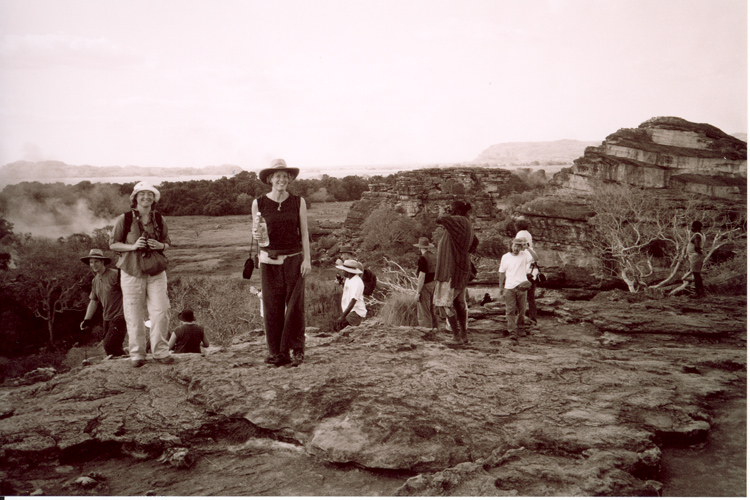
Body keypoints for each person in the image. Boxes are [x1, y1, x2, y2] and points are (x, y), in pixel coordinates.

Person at [252, 159, 312, 367]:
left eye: (285, 176)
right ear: (270, 179)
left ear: (289, 179)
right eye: (278, 176)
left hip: (294, 260)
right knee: (272, 308)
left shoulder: (298, 202)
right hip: (268, 262)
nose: (282, 179)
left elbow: (304, 233)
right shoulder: (258, 203)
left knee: (295, 307)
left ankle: (297, 349)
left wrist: (307, 259)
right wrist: (256, 235)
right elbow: (257, 233)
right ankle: (277, 353)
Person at [110, 182, 173, 368]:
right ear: (135, 198)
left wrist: (161, 246)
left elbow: (167, 241)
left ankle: (160, 351)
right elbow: (113, 244)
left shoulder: (159, 218)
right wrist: (133, 246)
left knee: (161, 311)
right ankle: (137, 354)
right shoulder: (124, 219)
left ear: (154, 198)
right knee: (134, 313)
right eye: (142, 194)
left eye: (150, 194)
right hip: (132, 271)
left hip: (156, 271)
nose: (146, 197)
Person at [433, 200, 478, 345]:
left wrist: (443, 209)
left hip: (450, 271)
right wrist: (464, 253)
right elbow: (475, 242)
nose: (449, 211)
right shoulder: (467, 224)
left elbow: (440, 219)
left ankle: (456, 336)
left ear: (457, 211)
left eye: (451, 209)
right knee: (459, 303)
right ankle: (463, 335)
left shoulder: (459, 220)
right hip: (461, 268)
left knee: (446, 304)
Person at [79, 249, 127, 358]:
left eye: (96, 261)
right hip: (107, 318)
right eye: (91, 262)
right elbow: (94, 301)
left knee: (109, 345)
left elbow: (128, 292)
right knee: (111, 348)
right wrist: (87, 320)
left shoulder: (115, 274)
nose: (93, 264)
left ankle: (128, 360)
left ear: (102, 262)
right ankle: (123, 362)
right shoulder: (95, 281)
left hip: (120, 316)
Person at [498, 238, 539, 342]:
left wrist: (528, 248)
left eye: (518, 246)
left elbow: (536, 258)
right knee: (510, 310)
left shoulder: (524, 255)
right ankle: (512, 331)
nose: (516, 248)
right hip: (509, 287)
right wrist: (501, 287)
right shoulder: (505, 257)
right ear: (511, 245)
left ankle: (521, 328)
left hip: (521, 286)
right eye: (515, 245)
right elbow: (502, 272)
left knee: (522, 310)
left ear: (521, 247)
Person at [514, 218, 538, 325]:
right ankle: (533, 318)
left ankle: (520, 318)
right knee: (531, 297)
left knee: (519, 296)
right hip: (533, 273)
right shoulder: (529, 235)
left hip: (524, 274)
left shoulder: (520, 234)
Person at [413, 236, 438, 331]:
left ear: (420, 247)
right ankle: (435, 328)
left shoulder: (423, 258)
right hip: (434, 284)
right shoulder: (434, 256)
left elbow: (421, 277)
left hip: (426, 285)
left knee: (424, 311)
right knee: (432, 309)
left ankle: (427, 332)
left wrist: (418, 292)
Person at [334, 259, 367, 330]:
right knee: (338, 327)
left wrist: (342, 316)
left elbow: (353, 301)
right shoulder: (348, 279)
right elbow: (348, 290)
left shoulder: (357, 282)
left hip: (356, 313)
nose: (342, 271)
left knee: (340, 327)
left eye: (343, 270)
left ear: (348, 271)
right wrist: (340, 282)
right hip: (350, 312)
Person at [687, 220, 706, 298]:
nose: (691, 228)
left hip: (695, 256)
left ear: (695, 227)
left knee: (696, 275)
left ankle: (698, 293)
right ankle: (701, 292)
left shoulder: (697, 235)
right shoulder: (701, 234)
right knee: (697, 274)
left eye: (692, 226)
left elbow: (697, 247)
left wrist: (698, 253)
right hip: (696, 256)